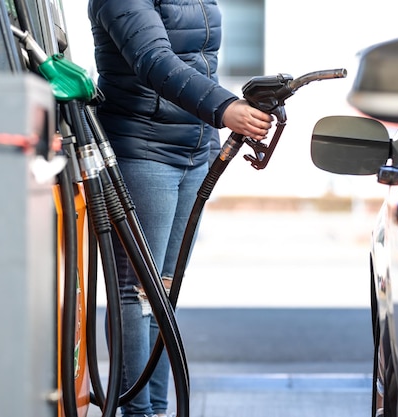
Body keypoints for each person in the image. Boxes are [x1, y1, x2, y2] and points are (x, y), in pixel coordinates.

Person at [87, 1, 273, 417]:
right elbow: (153, 59)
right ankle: (137, 413)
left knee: (163, 293)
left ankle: (157, 407)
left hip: (193, 150)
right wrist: (225, 108)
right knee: (136, 294)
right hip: (143, 149)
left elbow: (200, 61)